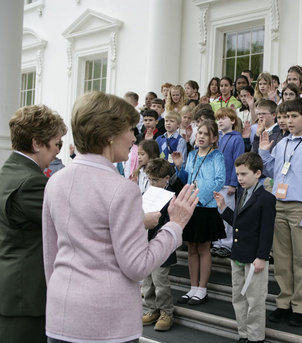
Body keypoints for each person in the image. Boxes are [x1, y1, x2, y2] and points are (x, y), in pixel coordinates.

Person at [42, 91, 198, 343]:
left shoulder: (55, 181)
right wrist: (175, 226)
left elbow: (50, 257)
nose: (133, 138)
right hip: (107, 321)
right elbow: (137, 265)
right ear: (109, 136)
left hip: (62, 312)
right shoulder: (121, 189)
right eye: (128, 130)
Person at [0, 105, 66, 343]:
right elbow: (71, 223)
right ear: (37, 143)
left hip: (14, 289)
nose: (58, 152)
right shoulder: (30, 182)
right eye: (56, 143)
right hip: (26, 296)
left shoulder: (9, 172)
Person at [258, 98, 302, 327]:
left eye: (294, 116)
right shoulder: (283, 142)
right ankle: (284, 301)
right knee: (283, 258)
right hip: (279, 203)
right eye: (286, 117)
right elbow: (271, 172)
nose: (288, 120)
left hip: (300, 205)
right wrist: (264, 152)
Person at [213, 152, 275, 343]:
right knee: (238, 297)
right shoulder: (241, 193)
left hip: (255, 257)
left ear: (257, 173)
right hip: (238, 254)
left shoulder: (266, 198)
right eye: (238, 174)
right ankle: (244, 334)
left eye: (244, 174)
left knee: (255, 300)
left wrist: (262, 257)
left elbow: (267, 230)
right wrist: (223, 208)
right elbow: (239, 223)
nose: (239, 178)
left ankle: (256, 337)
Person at [173, 120, 226, 305]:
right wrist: (179, 166)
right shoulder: (193, 154)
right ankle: (193, 287)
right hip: (191, 206)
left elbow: (220, 179)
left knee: (203, 248)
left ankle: (202, 288)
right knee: (191, 248)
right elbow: (187, 179)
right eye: (199, 133)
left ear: (214, 138)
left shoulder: (217, 156)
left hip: (206, 207)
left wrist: (199, 197)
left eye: (205, 134)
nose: (201, 136)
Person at [141, 158, 185, 332]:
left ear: (166, 178)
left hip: (162, 244)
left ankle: (166, 312)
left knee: (160, 281)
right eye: (150, 179)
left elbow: (172, 220)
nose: (152, 183)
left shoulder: (171, 196)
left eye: (155, 180)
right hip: (146, 242)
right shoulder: (148, 192)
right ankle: (152, 309)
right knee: (147, 280)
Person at [211, 108, 245, 258]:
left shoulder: (237, 138)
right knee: (216, 215)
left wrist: (233, 183)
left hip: (228, 184)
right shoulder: (217, 138)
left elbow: (238, 160)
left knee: (226, 213)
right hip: (216, 183)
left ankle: (227, 243)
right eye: (218, 118)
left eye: (224, 118)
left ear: (232, 121)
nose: (220, 121)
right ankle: (217, 242)